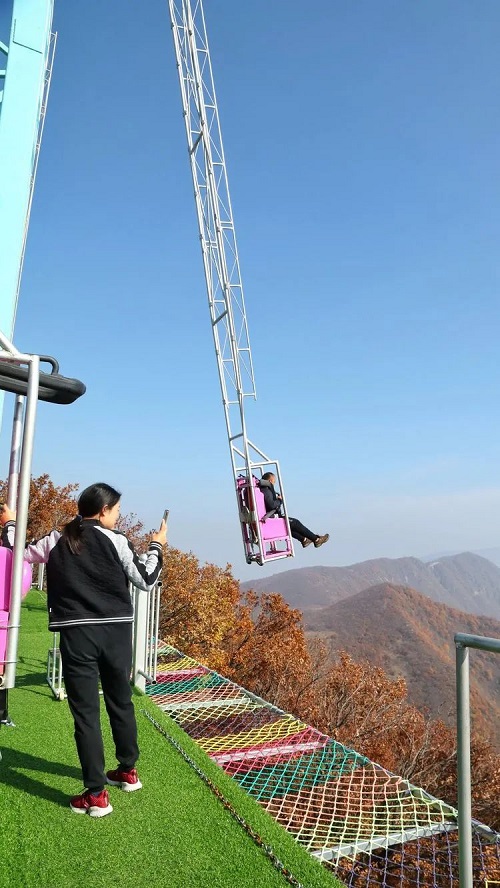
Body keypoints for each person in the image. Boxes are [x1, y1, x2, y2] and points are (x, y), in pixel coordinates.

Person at [0, 482, 166, 818]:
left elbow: (20, 550)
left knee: (86, 714)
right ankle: (127, 771)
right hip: (117, 634)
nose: (117, 517)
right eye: (116, 510)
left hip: (76, 637)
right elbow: (146, 578)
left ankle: (96, 794)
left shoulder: (57, 538)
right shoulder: (116, 540)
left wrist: (10, 523)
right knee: (120, 701)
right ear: (103, 510)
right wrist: (157, 546)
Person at [258, 472, 329, 549]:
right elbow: (271, 505)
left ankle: (304, 540)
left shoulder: (263, 490)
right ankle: (316, 539)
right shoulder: (266, 491)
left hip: (269, 519)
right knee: (295, 523)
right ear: (270, 481)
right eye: (274, 482)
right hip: (271, 520)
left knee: (288, 526)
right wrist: (279, 500)